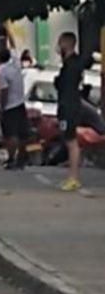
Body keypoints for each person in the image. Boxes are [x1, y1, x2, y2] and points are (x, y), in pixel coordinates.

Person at [55, 32, 84, 191]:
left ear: (66, 44)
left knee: (70, 141)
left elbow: (64, 85)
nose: (58, 47)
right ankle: (71, 176)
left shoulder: (72, 65)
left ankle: (73, 177)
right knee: (69, 140)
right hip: (69, 105)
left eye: (60, 43)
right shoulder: (71, 63)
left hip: (69, 106)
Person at [0, 47, 28, 170]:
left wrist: (1, 107)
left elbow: (4, 90)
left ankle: (11, 158)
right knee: (22, 133)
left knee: (11, 134)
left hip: (10, 105)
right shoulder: (16, 64)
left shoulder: (1, 71)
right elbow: (14, 47)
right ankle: (21, 158)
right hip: (20, 103)